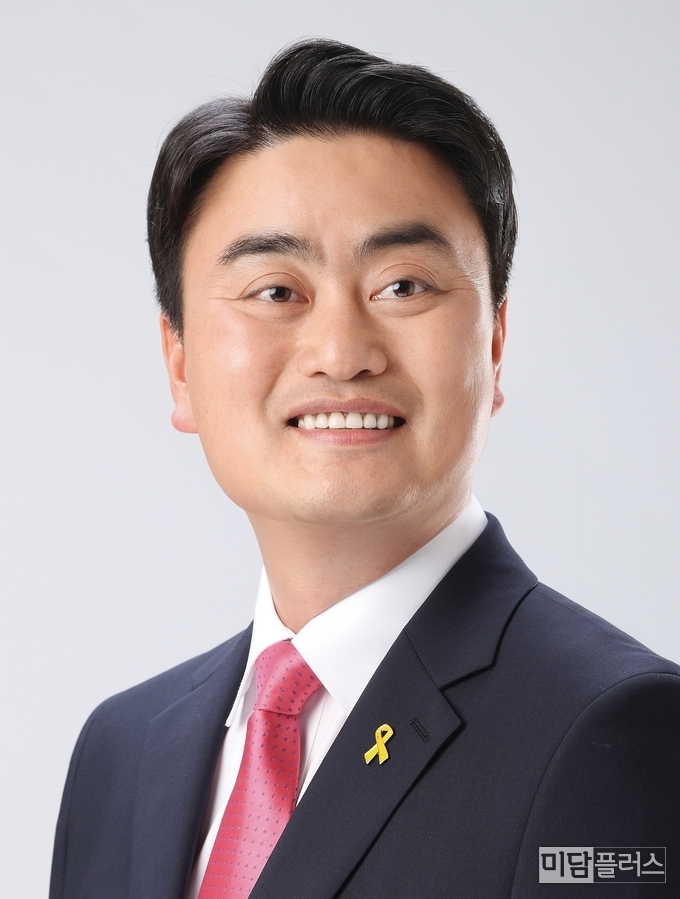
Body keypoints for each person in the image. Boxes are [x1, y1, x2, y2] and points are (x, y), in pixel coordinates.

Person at [49, 39, 680, 899]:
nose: (342, 352)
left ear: (494, 344)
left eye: (403, 286)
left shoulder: (616, 729)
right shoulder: (121, 754)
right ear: (180, 364)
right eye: (277, 292)